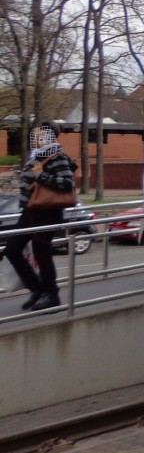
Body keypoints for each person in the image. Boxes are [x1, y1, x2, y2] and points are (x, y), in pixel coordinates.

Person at [6, 121, 78, 311]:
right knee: (12, 249)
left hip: (47, 212)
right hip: (30, 210)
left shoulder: (57, 156)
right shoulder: (37, 155)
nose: (36, 137)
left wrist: (41, 175)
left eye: (40, 134)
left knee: (42, 253)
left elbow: (67, 183)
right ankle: (37, 288)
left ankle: (51, 294)